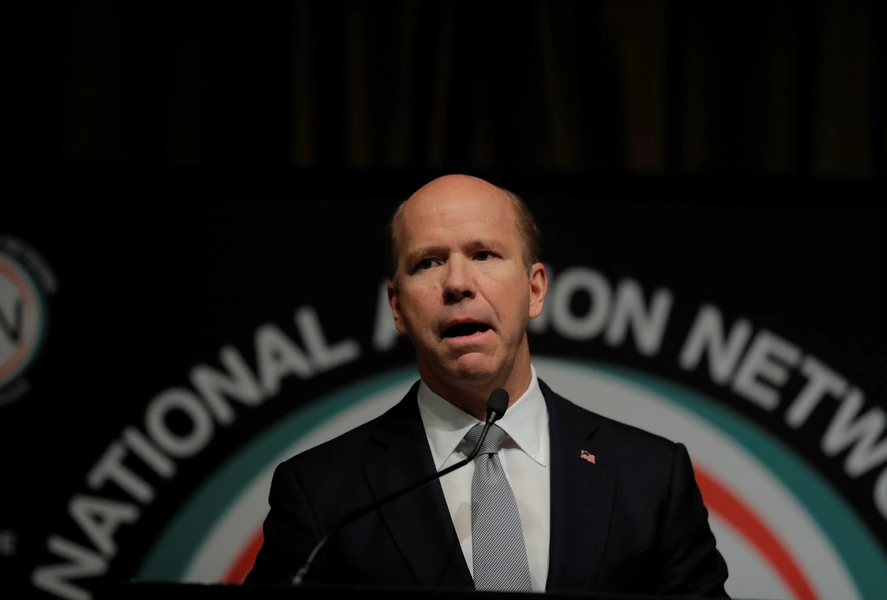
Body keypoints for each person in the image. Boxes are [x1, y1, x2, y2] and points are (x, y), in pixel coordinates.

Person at [244, 174, 729, 596]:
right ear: (397, 306)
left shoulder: (650, 478)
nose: (457, 282)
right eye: (428, 262)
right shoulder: (322, 492)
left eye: (484, 254)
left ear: (535, 289)